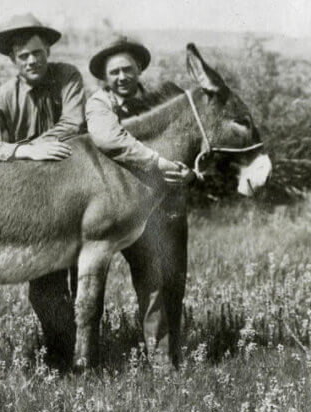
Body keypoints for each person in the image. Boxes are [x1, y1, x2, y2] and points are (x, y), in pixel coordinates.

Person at [0, 13, 85, 371]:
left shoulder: (68, 77)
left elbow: (74, 123)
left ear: (48, 51)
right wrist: (24, 151)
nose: (33, 61)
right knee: (46, 286)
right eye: (24, 57)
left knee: (84, 281)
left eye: (38, 53)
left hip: (76, 194)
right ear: (13, 61)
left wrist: (40, 144)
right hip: (32, 205)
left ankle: (85, 354)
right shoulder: (2, 98)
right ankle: (62, 360)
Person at [85, 36, 194, 367]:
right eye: (115, 72)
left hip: (160, 208)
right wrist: (158, 162)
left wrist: (187, 170)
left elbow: (186, 144)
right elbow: (108, 142)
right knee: (92, 283)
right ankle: (89, 361)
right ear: (105, 77)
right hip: (109, 209)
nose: (122, 77)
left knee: (160, 281)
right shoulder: (99, 106)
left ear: (139, 70)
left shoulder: (161, 102)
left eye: (128, 70)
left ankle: (163, 362)